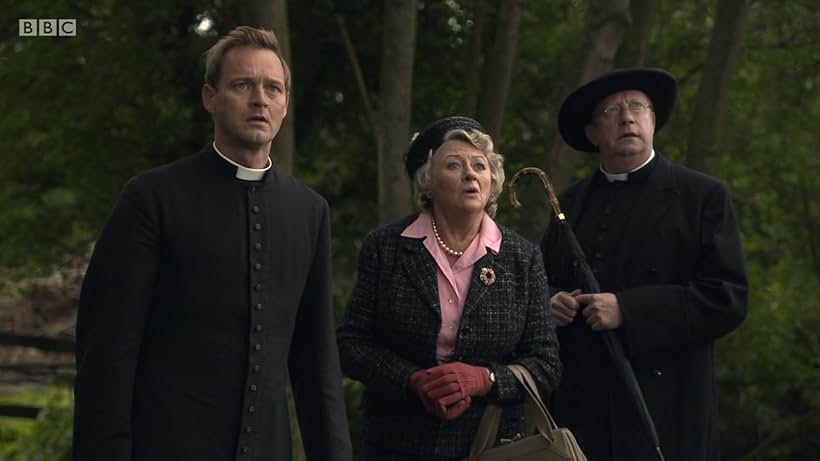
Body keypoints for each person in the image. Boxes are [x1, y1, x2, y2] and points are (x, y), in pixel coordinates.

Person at [73, 26, 352, 461]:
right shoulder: (152, 198)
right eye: (243, 85)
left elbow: (316, 364)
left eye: (273, 88)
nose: (260, 98)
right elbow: (106, 352)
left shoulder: (309, 211)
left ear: (284, 104)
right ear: (210, 97)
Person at [541, 68, 748, 461]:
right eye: (611, 110)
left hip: (667, 410)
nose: (627, 117)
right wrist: (551, 302)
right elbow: (539, 285)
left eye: (638, 107)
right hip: (584, 414)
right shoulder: (568, 204)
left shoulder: (702, 197)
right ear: (592, 133)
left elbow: (728, 299)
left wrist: (629, 310)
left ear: (653, 121)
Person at [337, 116, 562, 460]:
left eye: (480, 166)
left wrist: (485, 379)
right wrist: (413, 381)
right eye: (454, 165)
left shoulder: (523, 257)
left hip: (493, 446)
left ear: (492, 181)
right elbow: (352, 345)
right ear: (428, 182)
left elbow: (546, 364)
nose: (470, 174)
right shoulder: (386, 248)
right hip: (397, 443)